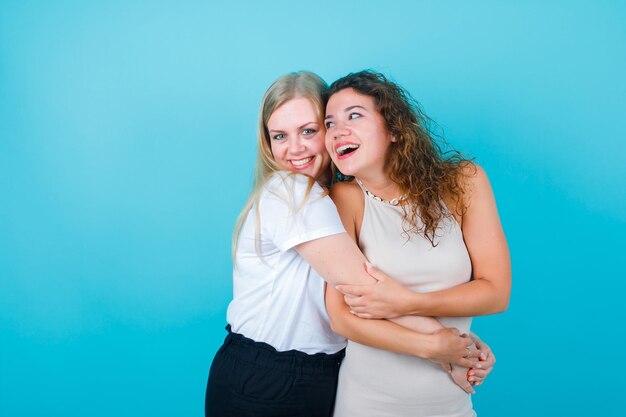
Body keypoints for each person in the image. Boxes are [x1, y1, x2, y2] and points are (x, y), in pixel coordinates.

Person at [205, 71, 495, 417]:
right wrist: (451, 348)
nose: (294, 148)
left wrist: (459, 346)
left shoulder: (334, 198)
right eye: (279, 135)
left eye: (309, 131)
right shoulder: (292, 191)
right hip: (267, 373)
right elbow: (365, 288)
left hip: (323, 372)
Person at [323, 70, 511, 417]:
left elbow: (496, 292)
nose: (338, 131)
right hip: (367, 405)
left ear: (394, 129)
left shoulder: (465, 183)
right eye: (329, 124)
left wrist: (408, 302)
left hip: (451, 405)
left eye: (354, 116)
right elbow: (342, 318)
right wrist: (436, 348)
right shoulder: (344, 199)